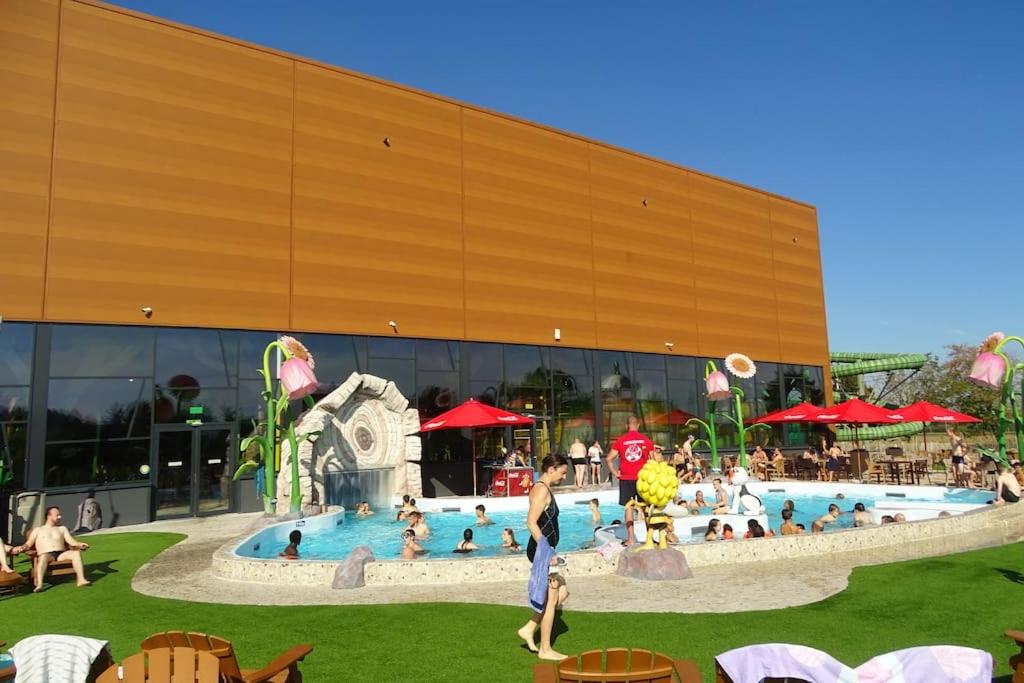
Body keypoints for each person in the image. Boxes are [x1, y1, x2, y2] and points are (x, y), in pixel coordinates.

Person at [517, 453, 569, 661]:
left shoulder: (544, 489)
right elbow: (531, 523)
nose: (564, 477)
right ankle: (545, 649)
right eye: (563, 472)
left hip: (546, 549)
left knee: (562, 592)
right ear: (551, 470)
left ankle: (529, 628)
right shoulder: (540, 491)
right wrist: (547, 553)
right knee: (553, 597)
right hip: (542, 551)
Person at [605, 416, 654, 546]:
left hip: (626, 478)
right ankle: (650, 538)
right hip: (643, 479)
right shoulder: (645, 440)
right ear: (638, 425)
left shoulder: (621, 440)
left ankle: (631, 539)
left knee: (628, 509)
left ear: (628, 425)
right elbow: (653, 460)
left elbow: (609, 458)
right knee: (646, 509)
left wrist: (615, 473)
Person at [17, 506, 90, 591]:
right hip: (46, 555)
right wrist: (23, 547)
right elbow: (28, 544)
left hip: (61, 554)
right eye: (57, 515)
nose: (60, 517)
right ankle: (40, 585)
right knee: (43, 557)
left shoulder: (62, 529)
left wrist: (80, 544)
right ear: (49, 516)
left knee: (75, 553)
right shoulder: (38, 530)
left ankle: (81, 579)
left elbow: (72, 542)